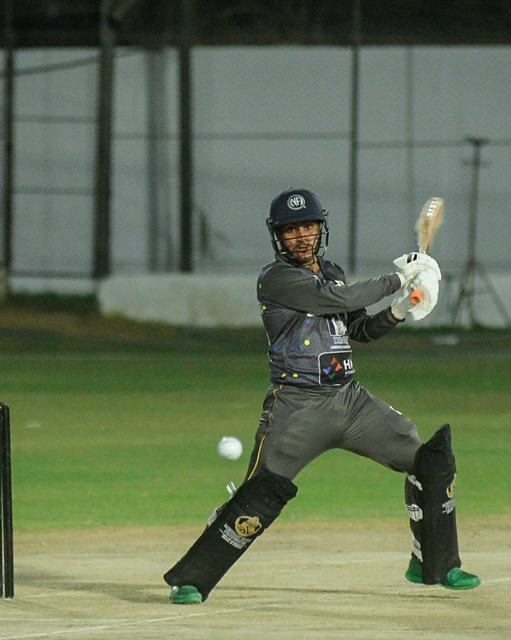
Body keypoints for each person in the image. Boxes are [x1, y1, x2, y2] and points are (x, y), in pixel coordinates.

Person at [164, 188, 479, 604]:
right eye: (290, 230)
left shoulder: (332, 271)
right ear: (278, 236)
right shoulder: (276, 278)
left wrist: (400, 310)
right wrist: (400, 277)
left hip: (351, 401)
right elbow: (336, 299)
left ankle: (434, 563)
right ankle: (192, 579)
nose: (300, 237)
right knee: (259, 494)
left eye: (308, 227)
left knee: (431, 462)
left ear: (320, 228)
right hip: (297, 407)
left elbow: (358, 330)